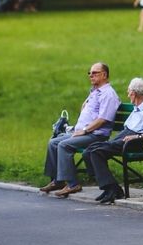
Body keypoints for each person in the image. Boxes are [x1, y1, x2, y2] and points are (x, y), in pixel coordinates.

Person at [41, 63, 120, 197]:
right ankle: (58, 180)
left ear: (104, 75)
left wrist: (84, 130)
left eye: (95, 73)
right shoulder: (95, 92)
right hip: (83, 132)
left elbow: (103, 119)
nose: (91, 75)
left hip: (95, 135)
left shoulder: (108, 94)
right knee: (53, 142)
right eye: (89, 73)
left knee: (64, 145)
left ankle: (73, 184)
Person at [83, 78, 143, 204]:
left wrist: (137, 137)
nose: (128, 95)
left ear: (133, 93)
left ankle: (112, 189)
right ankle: (110, 188)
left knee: (96, 152)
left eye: (128, 92)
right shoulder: (137, 107)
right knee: (89, 150)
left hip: (133, 142)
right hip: (125, 137)